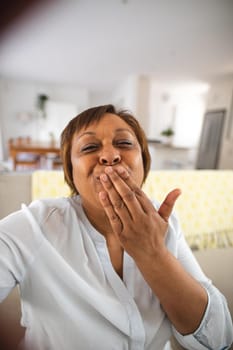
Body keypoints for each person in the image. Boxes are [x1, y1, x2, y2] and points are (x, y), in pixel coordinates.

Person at [0, 104, 232, 350]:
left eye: (124, 143)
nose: (110, 156)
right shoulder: (36, 224)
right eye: (90, 147)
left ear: (143, 162)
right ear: (70, 172)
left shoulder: (164, 223)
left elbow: (219, 339)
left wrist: (154, 254)